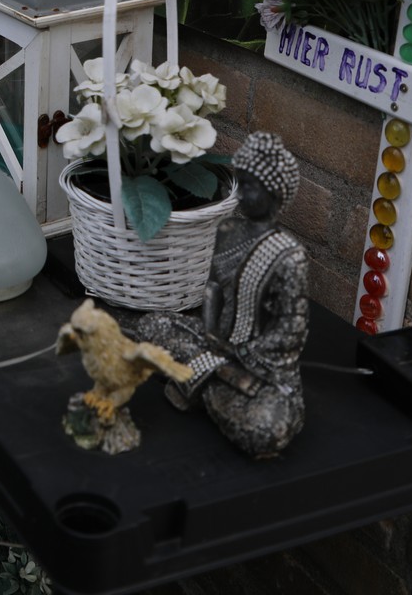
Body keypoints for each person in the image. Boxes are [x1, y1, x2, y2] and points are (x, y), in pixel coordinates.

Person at [126, 131, 310, 459]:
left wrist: (241, 353)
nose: (242, 194)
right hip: (216, 344)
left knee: (266, 430)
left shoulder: (289, 256)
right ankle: (212, 379)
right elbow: (212, 289)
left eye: (250, 187)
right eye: (242, 184)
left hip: (259, 366)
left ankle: (199, 379)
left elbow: (290, 332)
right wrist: (212, 338)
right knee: (151, 326)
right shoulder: (228, 230)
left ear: (275, 193)